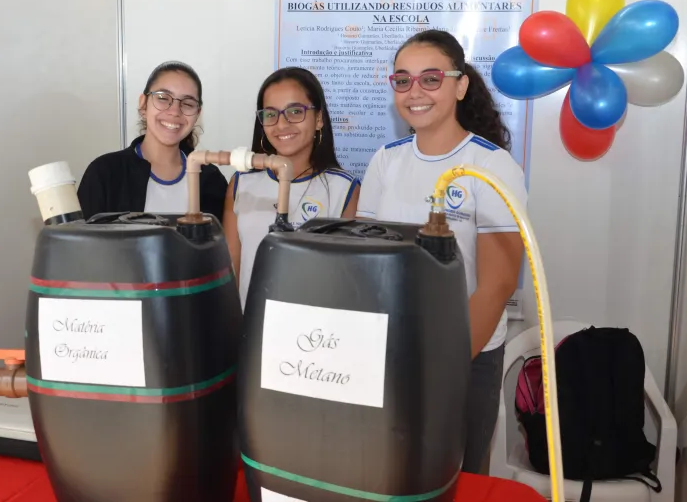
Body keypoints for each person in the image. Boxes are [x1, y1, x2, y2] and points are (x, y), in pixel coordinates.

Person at [357, 30, 526, 474]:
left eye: (431, 79)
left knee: (454, 480)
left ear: (461, 85)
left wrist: (439, 364)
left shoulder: (491, 165)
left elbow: (497, 284)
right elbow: (365, 260)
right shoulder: (385, 161)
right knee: (389, 475)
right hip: (391, 349)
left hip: (465, 357)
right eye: (403, 80)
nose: (415, 92)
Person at [223, 67, 361, 307]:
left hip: (313, 325)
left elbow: (346, 279)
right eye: (271, 114)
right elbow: (230, 272)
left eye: (295, 111)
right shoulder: (242, 183)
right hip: (250, 322)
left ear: (319, 119)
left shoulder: (344, 188)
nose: (281, 124)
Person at [77, 61, 228, 221]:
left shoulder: (211, 180)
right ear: (143, 104)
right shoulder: (105, 172)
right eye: (163, 98)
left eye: (188, 104)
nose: (174, 111)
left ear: (197, 114)